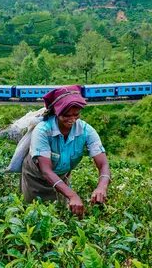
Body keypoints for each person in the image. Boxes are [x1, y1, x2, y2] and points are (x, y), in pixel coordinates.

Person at [21, 85, 111, 217]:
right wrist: (72, 195)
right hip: (35, 178)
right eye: (66, 115)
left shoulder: (86, 131)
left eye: (76, 114)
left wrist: (101, 187)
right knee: (35, 214)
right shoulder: (43, 131)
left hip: (61, 176)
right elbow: (46, 171)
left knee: (59, 213)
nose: (72, 119)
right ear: (56, 113)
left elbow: (103, 164)